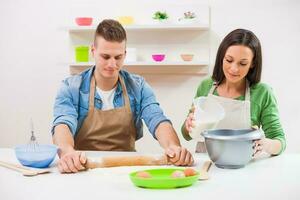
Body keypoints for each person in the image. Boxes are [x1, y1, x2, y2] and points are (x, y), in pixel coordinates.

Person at [52, 19, 193, 173]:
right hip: (82, 168)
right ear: (93, 51)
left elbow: (157, 120)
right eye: (105, 57)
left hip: (125, 169)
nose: (112, 64)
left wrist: (173, 147)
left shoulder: (138, 87)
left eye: (118, 57)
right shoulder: (71, 87)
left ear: (125, 54)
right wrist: (67, 152)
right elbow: (63, 124)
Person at [182, 29, 286, 156]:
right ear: (222, 57)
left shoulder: (262, 92)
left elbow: (279, 140)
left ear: (252, 63)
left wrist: (266, 144)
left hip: (243, 167)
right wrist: (188, 127)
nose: (234, 69)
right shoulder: (206, 86)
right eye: (229, 60)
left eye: (243, 63)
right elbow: (187, 135)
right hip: (207, 164)